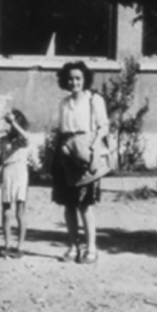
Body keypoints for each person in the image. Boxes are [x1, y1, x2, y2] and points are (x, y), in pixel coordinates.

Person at [52, 61, 110, 265]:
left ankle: (91, 248)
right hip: (67, 154)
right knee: (68, 205)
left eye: (78, 78)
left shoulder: (94, 100)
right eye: (70, 78)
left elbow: (104, 127)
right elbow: (61, 129)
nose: (74, 82)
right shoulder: (63, 103)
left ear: (84, 79)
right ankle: (72, 246)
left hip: (86, 153)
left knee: (85, 204)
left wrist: (93, 147)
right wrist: (62, 148)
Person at [0, 109, 32, 258]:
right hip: (7, 172)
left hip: (20, 173)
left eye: (13, 123)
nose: (10, 126)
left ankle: (20, 246)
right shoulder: (3, 140)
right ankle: (7, 244)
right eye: (8, 123)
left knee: (20, 211)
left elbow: (26, 138)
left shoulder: (22, 140)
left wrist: (14, 123)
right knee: (6, 210)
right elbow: (2, 156)